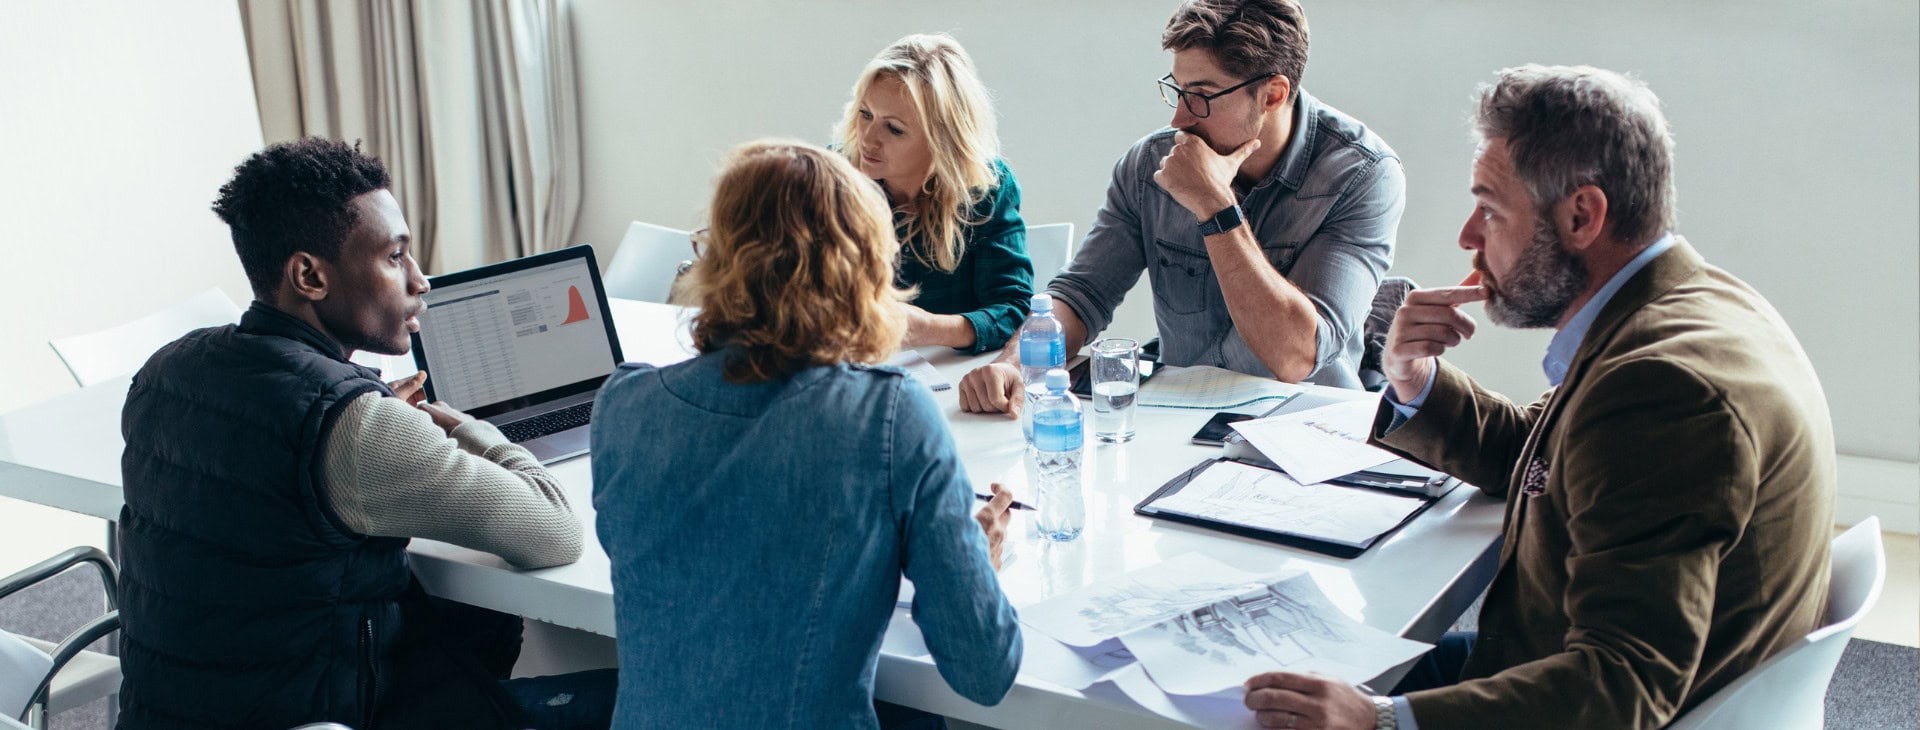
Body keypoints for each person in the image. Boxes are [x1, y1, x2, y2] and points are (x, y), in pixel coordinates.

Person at [1241, 65, 1836, 730]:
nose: (1469, 237)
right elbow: (1557, 454)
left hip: (1587, 698)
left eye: (1491, 210)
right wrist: (1413, 379)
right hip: (1579, 663)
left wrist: (1381, 722)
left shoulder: (1662, 390)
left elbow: (1621, 688)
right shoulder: (1689, 302)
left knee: (1265, 705)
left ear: (1582, 214)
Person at [116, 138, 614, 730]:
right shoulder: (358, 426)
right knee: (632, 696)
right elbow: (555, 532)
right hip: (329, 719)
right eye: (394, 255)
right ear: (309, 275)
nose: (421, 279)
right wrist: (473, 430)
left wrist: (363, 409)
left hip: (171, 716)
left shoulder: (165, 372)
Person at [591, 139, 1022, 729]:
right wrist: (977, 559)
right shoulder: (892, 419)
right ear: (867, 269)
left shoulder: (624, 405)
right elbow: (983, 672)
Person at [958, 0, 1404, 413]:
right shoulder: (1148, 165)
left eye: (1202, 95)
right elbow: (1082, 295)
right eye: (1177, 90)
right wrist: (1015, 364)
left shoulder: (1363, 174)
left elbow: (1296, 356)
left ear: (1272, 94)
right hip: (1178, 417)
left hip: (1301, 429)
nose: (1179, 119)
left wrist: (1215, 205)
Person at [837, 32, 1033, 354]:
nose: (868, 139)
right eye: (865, 114)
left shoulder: (987, 189)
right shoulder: (831, 178)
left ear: (942, 140)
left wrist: (929, 328)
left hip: (953, 380)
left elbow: (1013, 310)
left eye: (894, 128)